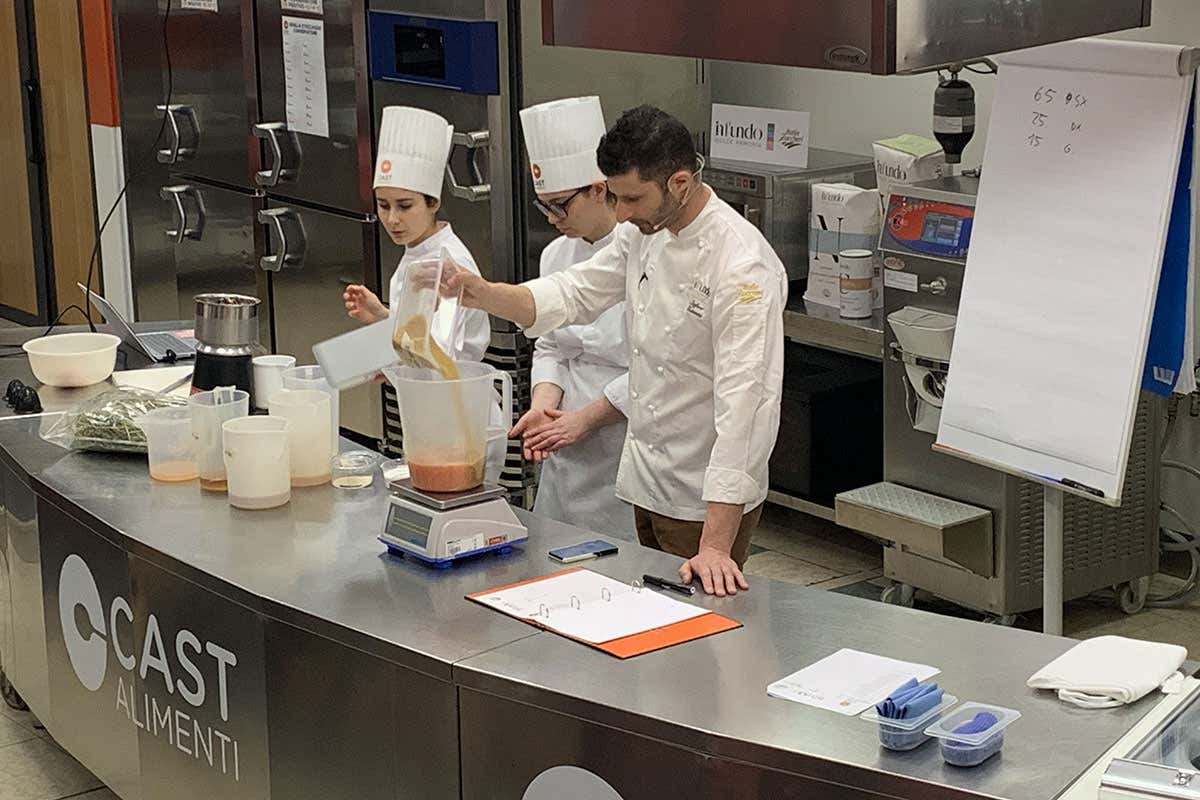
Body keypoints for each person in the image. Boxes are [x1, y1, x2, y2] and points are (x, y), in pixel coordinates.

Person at [446, 105, 786, 596]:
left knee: (696, 645)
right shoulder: (643, 234)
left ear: (680, 183)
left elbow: (747, 410)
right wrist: (483, 294)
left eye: (632, 198)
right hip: (645, 483)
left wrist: (715, 543)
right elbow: (573, 292)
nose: (621, 213)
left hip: (702, 499)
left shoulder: (742, 265)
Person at [513, 96, 635, 537]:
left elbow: (657, 368)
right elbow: (548, 345)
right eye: (543, 206)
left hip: (623, 441)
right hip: (564, 446)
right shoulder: (555, 254)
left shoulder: (641, 252)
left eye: (560, 205)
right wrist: (545, 408)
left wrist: (585, 420)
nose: (552, 219)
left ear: (599, 189)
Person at [343, 106, 490, 364]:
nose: (392, 219)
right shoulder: (417, 249)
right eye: (383, 205)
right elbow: (418, 341)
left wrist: (371, 353)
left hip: (456, 402)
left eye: (405, 206)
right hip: (424, 397)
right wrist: (382, 315)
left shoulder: (449, 264)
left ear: (433, 203)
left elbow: (441, 360)